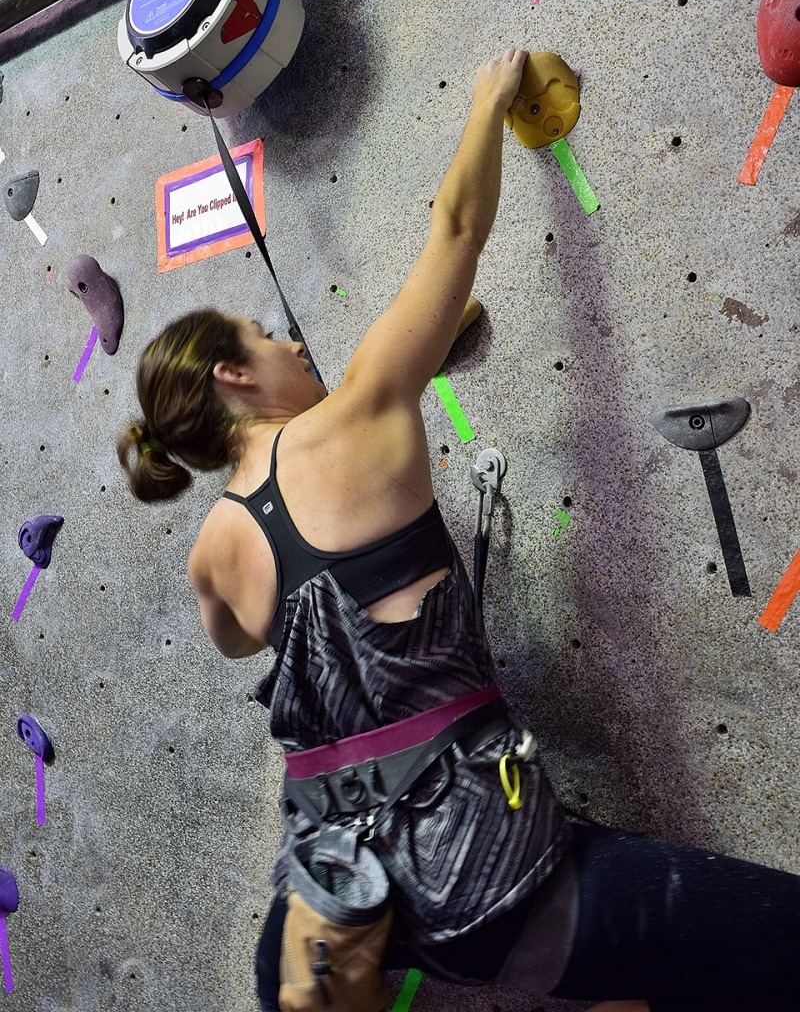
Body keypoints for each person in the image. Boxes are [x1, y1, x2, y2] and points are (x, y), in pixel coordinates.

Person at [118, 49, 800, 1012]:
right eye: (267, 338)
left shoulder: (210, 559)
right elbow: (456, 229)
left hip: (346, 907)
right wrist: (486, 98)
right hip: (492, 876)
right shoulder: (356, 413)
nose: (293, 344)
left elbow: (237, 641)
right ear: (234, 378)